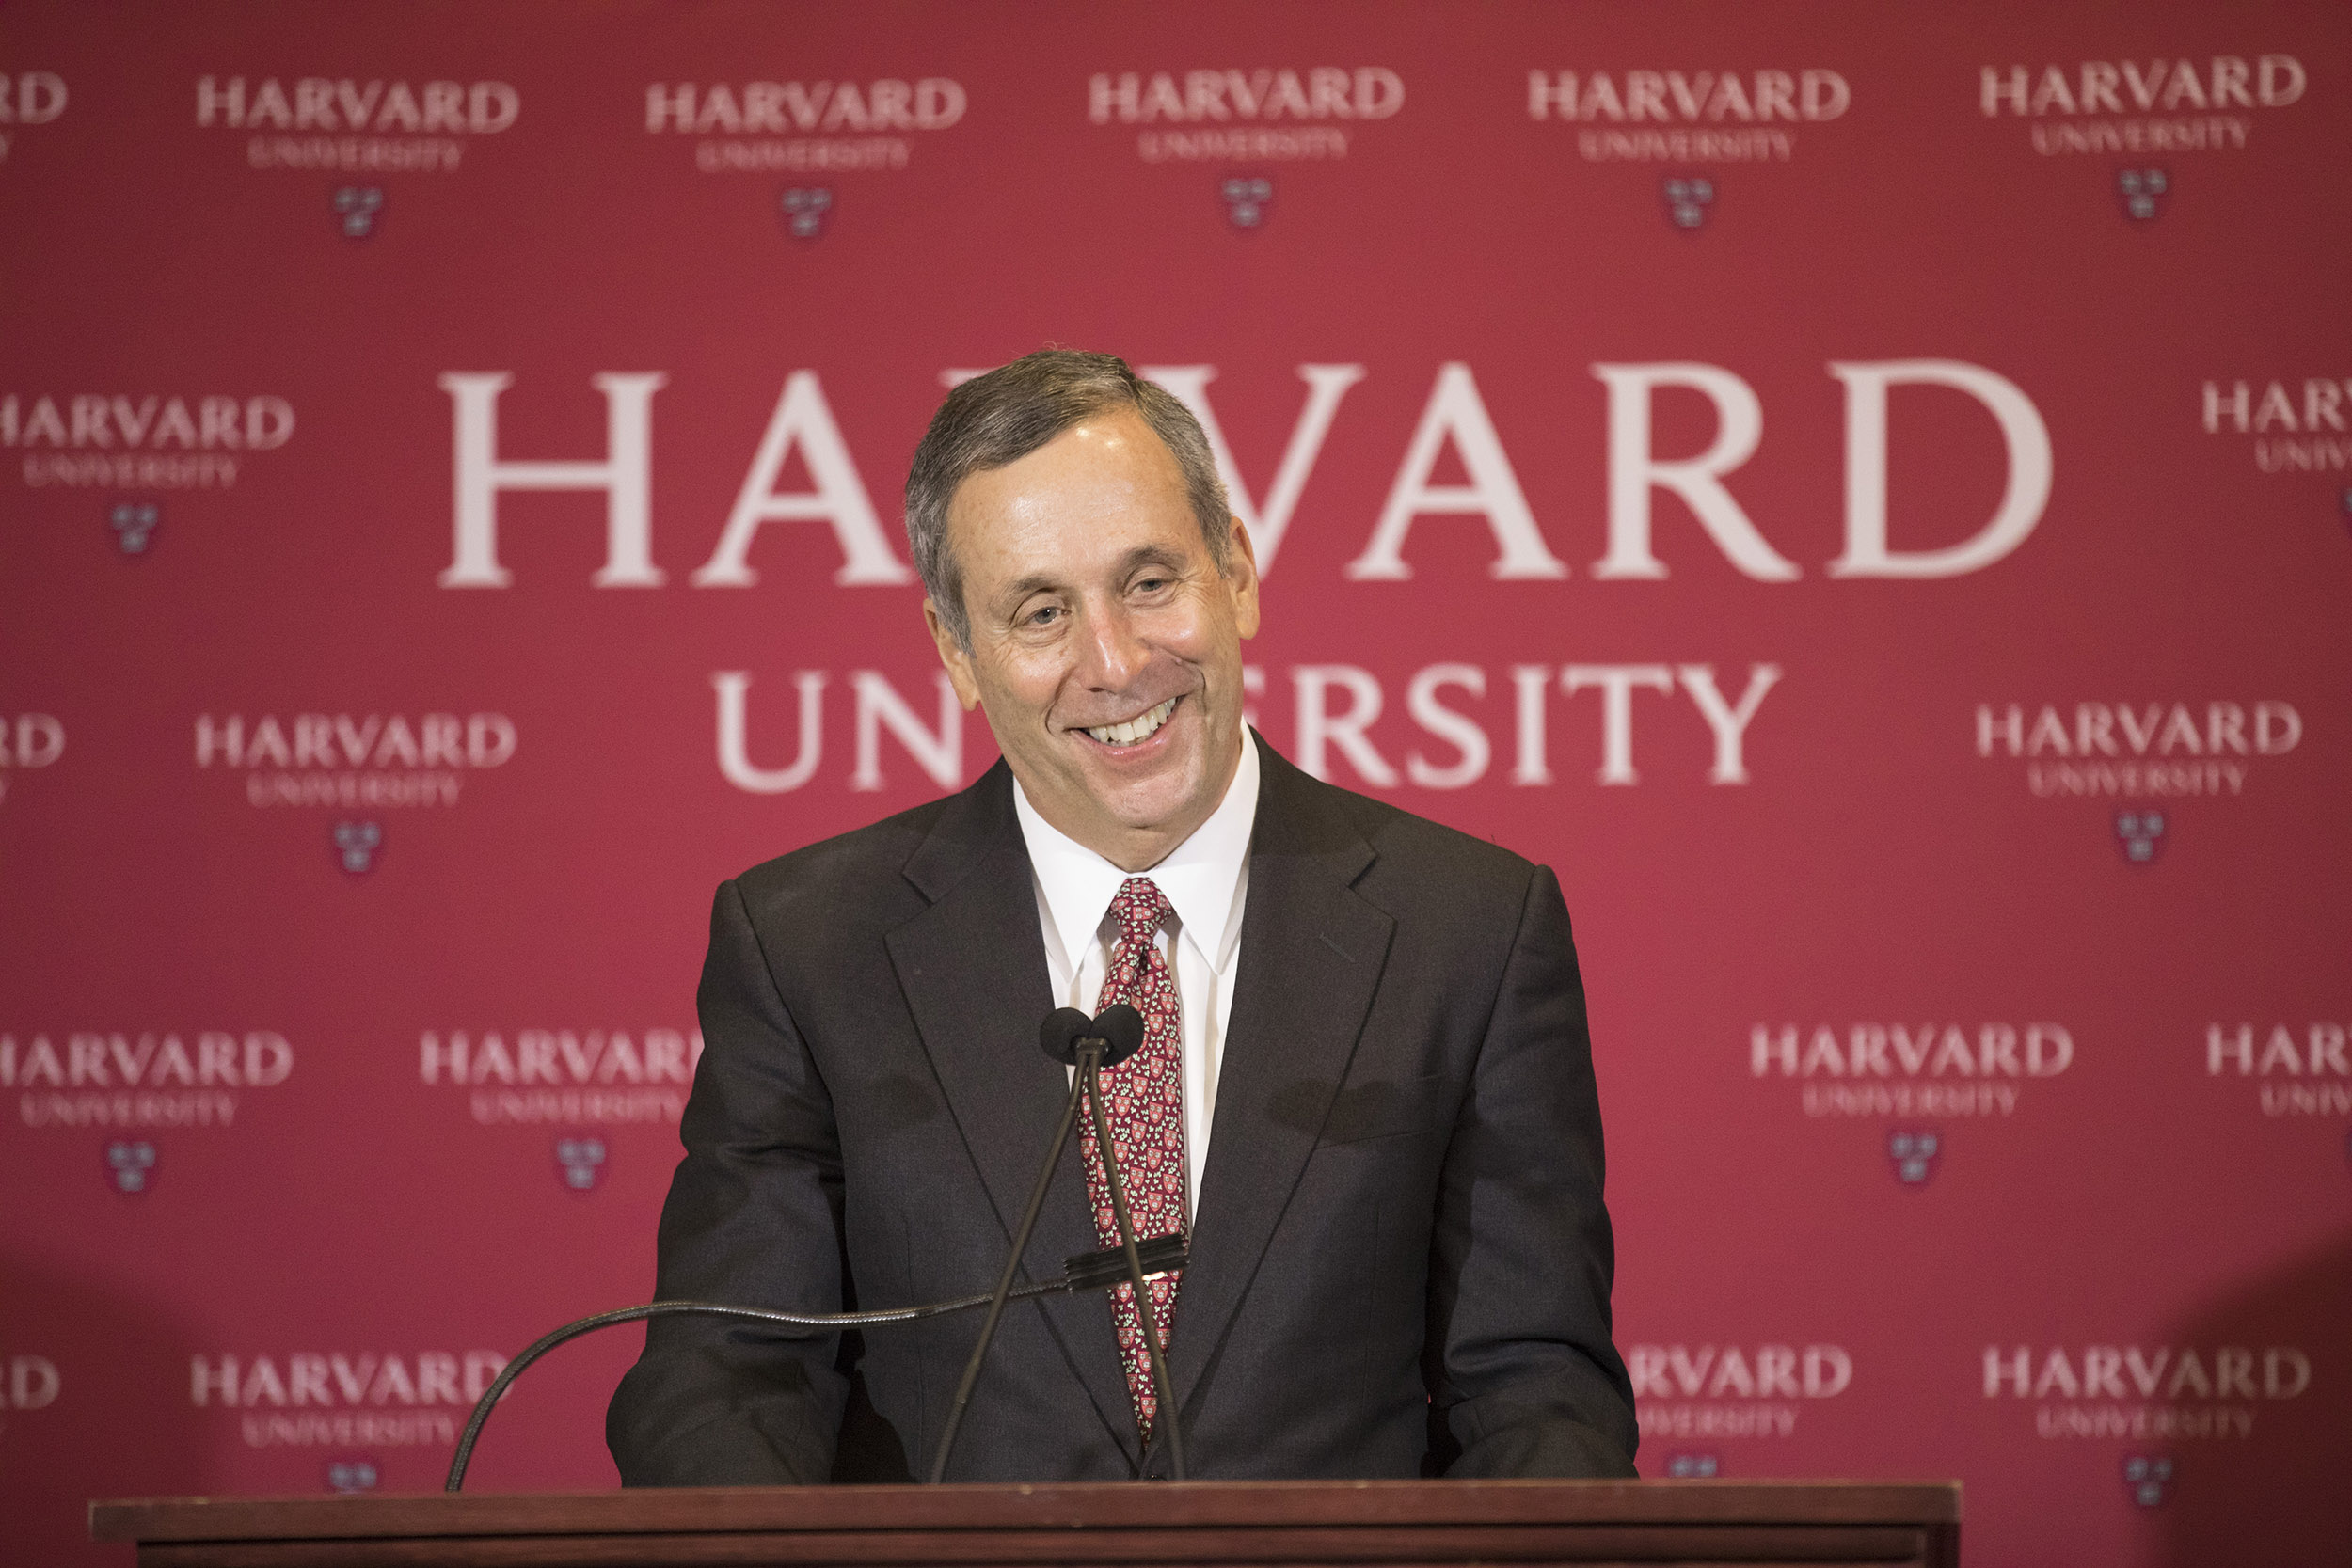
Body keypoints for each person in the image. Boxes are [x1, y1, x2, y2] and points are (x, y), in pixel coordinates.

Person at [607, 350, 1636, 1483]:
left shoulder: (1470, 932)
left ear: (1235, 570)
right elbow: (727, 1376)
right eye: (1041, 611)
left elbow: (1531, 1390)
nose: (1115, 662)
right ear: (958, 650)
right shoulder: (808, 946)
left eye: (1150, 582)